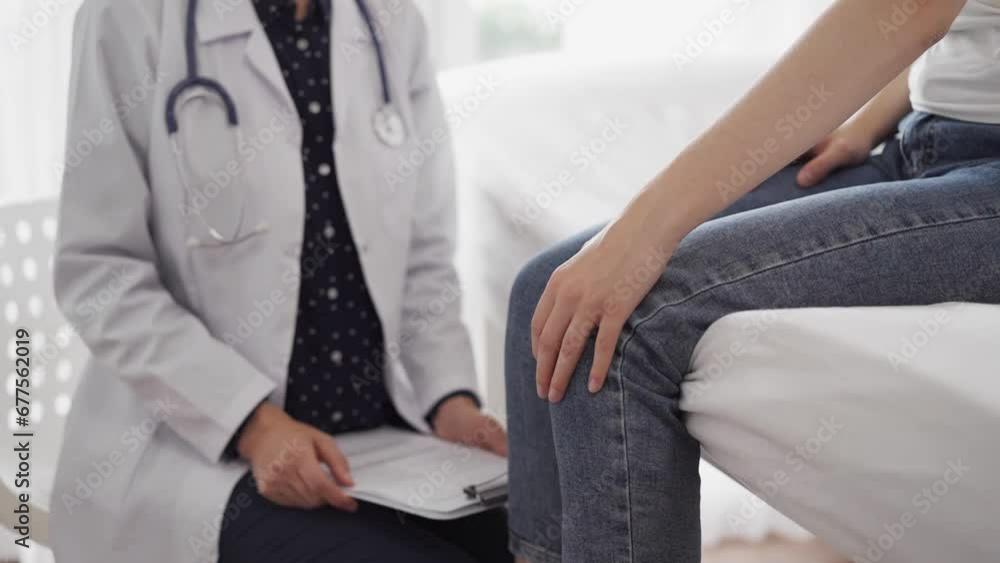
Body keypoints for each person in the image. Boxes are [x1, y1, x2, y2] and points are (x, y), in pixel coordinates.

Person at [506, 0, 1000, 561]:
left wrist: (646, 228)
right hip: (923, 143)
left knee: (614, 316)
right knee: (546, 290)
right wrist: (869, 122)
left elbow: (907, 10)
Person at [51, 0, 511, 562]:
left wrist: (450, 400)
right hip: (203, 454)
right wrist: (254, 425)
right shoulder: (128, 16)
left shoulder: (392, 20)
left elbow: (424, 253)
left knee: (544, 539)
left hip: (380, 443)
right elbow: (100, 272)